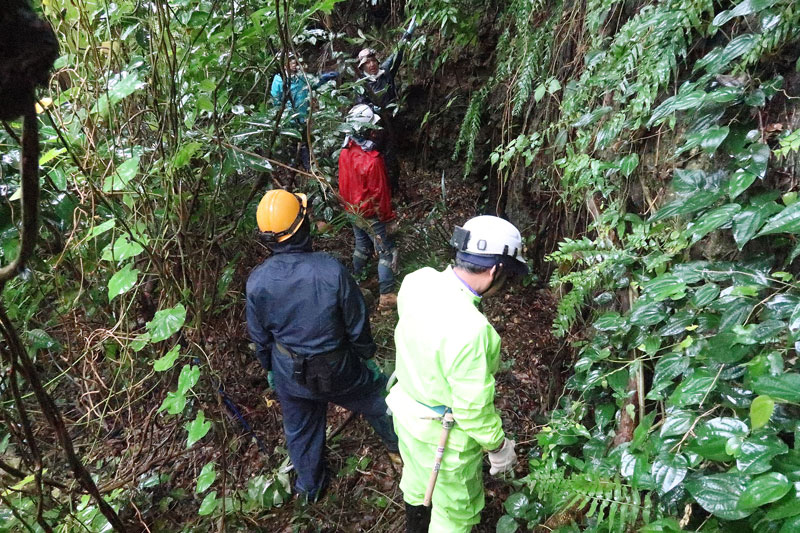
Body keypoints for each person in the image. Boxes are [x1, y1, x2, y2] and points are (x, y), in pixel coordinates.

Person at [246, 189, 400, 503]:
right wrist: (367, 358)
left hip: (290, 371)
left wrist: (269, 369)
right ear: (302, 227)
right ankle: (400, 449)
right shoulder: (330, 270)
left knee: (301, 430)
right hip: (339, 368)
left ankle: (309, 490)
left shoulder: (258, 280)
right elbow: (357, 324)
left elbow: (260, 337)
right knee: (379, 400)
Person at [386, 215, 528, 532]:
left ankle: (415, 525)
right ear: (495, 270)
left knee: (417, 478)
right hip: (443, 436)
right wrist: (498, 447)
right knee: (456, 512)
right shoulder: (474, 331)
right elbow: (473, 410)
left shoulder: (417, 280)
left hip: (405, 411)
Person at [338, 104, 398, 309]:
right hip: (370, 214)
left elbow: (343, 184)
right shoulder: (373, 160)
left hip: (352, 211)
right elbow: (379, 194)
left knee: (362, 246)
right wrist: (388, 219)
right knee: (386, 252)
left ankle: (358, 281)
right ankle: (387, 295)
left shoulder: (344, 153)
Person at [355, 20, 414, 195]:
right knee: (376, 157)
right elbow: (360, 106)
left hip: (392, 122)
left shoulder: (385, 72)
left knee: (391, 155)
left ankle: (393, 188)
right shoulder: (362, 84)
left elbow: (396, 54)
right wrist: (373, 110)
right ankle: (378, 190)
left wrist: (407, 35)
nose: (372, 65)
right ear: (363, 67)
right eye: (368, 63)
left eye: (373, 61)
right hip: (376, 128)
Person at [270, 53, 338, 170]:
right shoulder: (279, 80)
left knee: (305, 140)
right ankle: (296, 164)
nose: (294, 64)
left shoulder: (301, 77)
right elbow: (276, 102)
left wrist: (326, 78)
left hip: (303, 116)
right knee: (294, 142)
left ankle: (307, 165)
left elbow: (313, 84)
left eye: (295, 62)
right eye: (291, 62)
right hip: (290, 119)